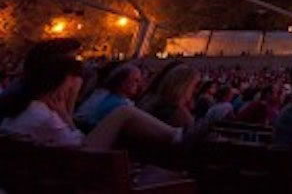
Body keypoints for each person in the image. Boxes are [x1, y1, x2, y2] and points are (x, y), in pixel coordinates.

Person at [0, 53, 182, 150]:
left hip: (55, 167)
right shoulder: (43, 116)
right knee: (124, 113)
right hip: (82, 161)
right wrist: (65, 113)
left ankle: (176, 135)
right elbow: (77, 142)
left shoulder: (24, 107)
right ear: (62, 81)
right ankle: (177, 136)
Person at [74, 62, 142, 132]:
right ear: (123, 80)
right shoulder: (101, 95)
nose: (138, 84)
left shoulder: (126, 104)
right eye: (135, 80)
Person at [138, 63, 199, 131]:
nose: (196, 90)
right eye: (195, 85)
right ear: (184, 86)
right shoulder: (179, 116)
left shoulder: (151, 102)